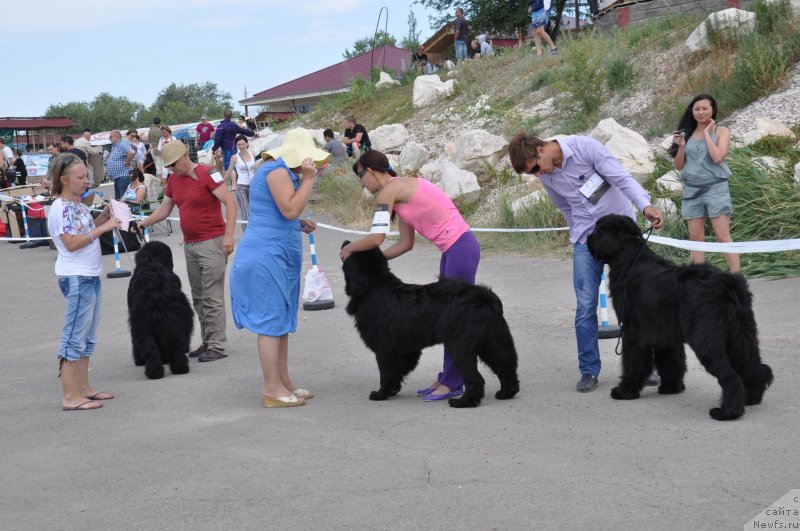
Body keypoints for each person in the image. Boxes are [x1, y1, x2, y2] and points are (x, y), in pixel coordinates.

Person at [508, 133, 664, 393]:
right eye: (530, 174)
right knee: (585, 305)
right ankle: (589, 370)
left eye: (535, 168)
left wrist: (645, 207)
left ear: (541, 149)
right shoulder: (546, 176)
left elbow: (622, 179)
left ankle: (645, 367)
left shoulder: (585, 148)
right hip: (586, 239)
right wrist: (576, 235)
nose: (537, 175)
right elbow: (565, 207)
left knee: (637, 300)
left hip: (621, 233)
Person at [339, 149, 480, 402]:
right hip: (454, 249)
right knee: (445, 316)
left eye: (360, 176)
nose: (362, 183)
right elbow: (405, 243)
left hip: (459, 248)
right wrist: (374, 264)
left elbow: (376, 238)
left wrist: (350, 249)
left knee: (452, 319)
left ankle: (454, 382)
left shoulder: (389, 191)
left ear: (370, 171)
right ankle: (448, 377)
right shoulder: (401, 190)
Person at [229, 128, 330, 408]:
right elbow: (289, 209)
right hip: (265, 256)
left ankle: (283, 380)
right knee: (271, 321)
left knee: (280, 321)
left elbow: (279, 214)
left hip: (277, 254)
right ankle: (272, 388)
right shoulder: (276, 170)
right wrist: (308, 180)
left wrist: (298, 225)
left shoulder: (282, 171)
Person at [135, 140, 237, 363]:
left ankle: (218, 345)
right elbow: (165, 208)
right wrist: (144, 222)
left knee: (212, 295)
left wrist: (229, 236)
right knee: (199, 296)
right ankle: (207, 341)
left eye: (173, 164)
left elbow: (230, 203)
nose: (171, 169)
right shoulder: (174, 180)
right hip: (190, 244)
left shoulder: (208, 173)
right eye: (168, 166)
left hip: (212, 242)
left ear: (184, 157)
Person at [48, 153, 122, 410]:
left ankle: (83, 387)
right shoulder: (62, 207)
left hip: (88, 276)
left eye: (87, 176)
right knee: (74, 337)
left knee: (87, 336)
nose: (86, 181)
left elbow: (84, 232)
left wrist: (104, 217)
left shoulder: (77, 205)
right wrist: (103, 227)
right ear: (64, 180)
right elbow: (71, 243)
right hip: (77, 277)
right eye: (80, 177)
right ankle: (70, 396)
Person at [669, 94, 739, 273]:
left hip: (715, 188)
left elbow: (717, 157)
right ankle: (699, 279)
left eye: (704, 108)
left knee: (722, 236)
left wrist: (707, 133)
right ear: (691, 111)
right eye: (696, 109)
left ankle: (736, 277)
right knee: (695, 238)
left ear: (713, 110)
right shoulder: (687, 132)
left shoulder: (721, 131)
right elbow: (678, 166)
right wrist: (682, 146)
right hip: (692, 191)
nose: (700, 112)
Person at [224, 134, 257, 231]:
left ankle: (254, 231)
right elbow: (229, 171)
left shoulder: (253, 154)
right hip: (241, 187)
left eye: (243, 144)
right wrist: (220, 182)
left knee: (254, 211)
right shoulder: (235, 157)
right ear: (236, 146)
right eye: (239, 145)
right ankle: (246, 232)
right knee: (246, 212)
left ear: (247, 144)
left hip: (253, 186)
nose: (241, 146)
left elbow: (255, 170)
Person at [107, 130, 136, 199]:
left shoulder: (122, 144)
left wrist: (127, 162)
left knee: (124, 200)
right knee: (119, 200)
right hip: (118, 177)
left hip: (123, 176)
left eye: (110, 137)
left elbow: (132, 152)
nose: (109, 139)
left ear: (116, 137)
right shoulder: (115, 146)